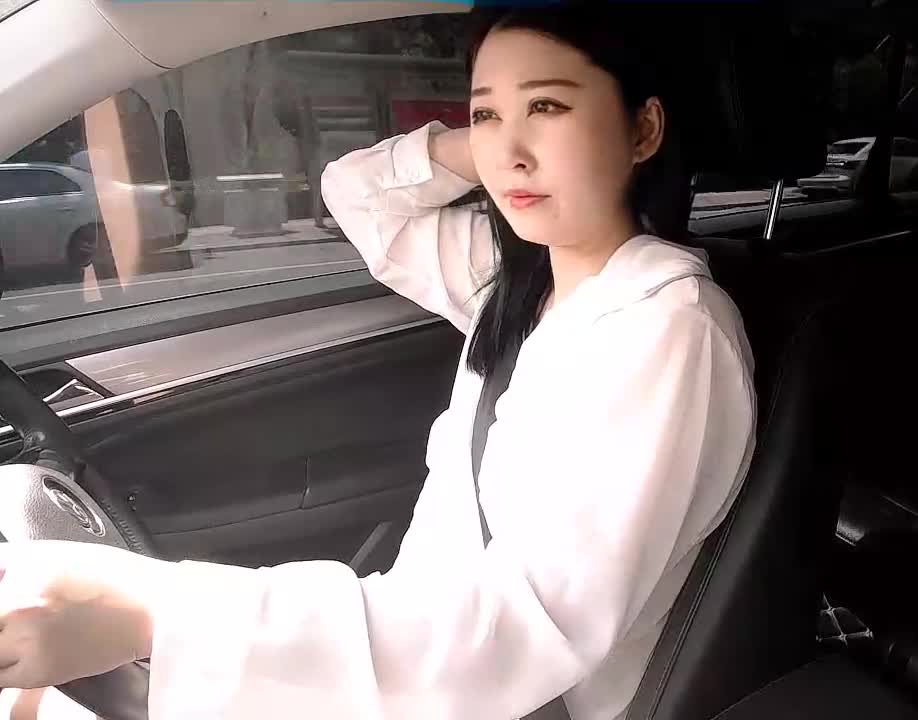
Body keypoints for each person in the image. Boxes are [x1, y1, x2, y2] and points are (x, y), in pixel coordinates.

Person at [0, 6, 756, 720]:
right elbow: (357, 193)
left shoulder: (668, 331)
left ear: (643, 128)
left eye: (548, 107)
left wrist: (155, 613)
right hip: (413, 660)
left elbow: (517, 630)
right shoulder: (516, 280)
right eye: (486, 113)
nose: (511, 149)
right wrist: (486, 150)